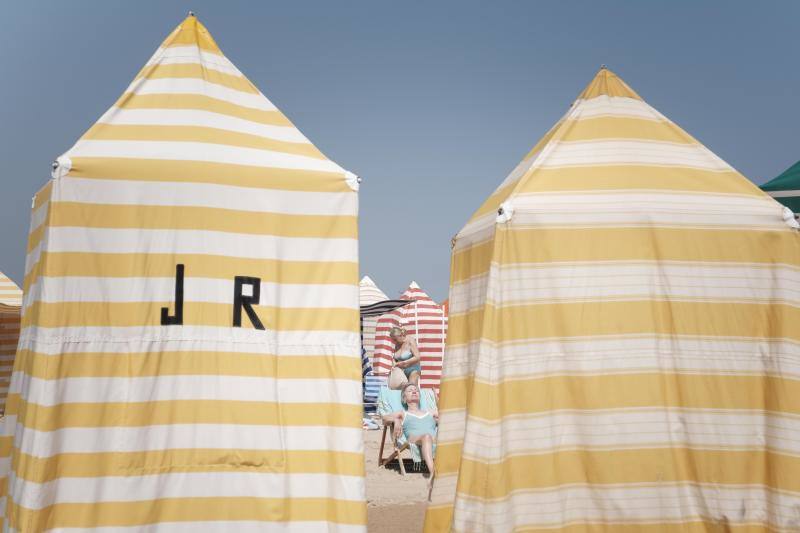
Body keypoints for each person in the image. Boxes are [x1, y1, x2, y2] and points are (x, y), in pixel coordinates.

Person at [388, 382, 438, 494]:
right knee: (426, 436)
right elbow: (385, 418)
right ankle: (433, 473)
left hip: (433, 439)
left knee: (429, 437)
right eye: (410, 390)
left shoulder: (430, 412)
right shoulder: (403, 413)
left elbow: (446, 414)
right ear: (404, 399)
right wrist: (396, 420)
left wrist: (436, 397)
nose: (414, 391)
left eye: (416, 390)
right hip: (414, 439)